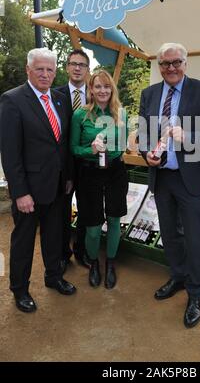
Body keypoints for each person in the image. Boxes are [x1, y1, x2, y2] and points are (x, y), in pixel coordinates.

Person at [138, 42, 200, 328]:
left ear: (185, 63)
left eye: (176, 62)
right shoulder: (149, 94)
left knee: (195, 236)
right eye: (165, 64)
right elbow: (144, 132)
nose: (171, 68)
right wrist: (146, 154)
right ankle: (178, 276)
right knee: (170, 234)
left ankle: (197, 291)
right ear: (159, 66)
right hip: (162, 177)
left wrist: (187, 136)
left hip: (191, 178)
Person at [0, 48, 76, 313]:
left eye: (50, 70)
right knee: (23, 241)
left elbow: (62, 143)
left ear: (56, 72)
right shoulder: (12, 100)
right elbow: (10, 153)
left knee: (54, 238)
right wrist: (20, 192)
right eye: (40, 69)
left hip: (57, 186)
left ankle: (53, 277)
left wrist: (67, 178)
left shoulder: (58, 99)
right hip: (29, 191)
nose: (45, 74)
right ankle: (20, 290)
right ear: (28, 70)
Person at [70, 70, 128, 289]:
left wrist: (118, 153)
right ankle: (94, 262)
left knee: (114, 220)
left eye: (107, 86)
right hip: (90, 173)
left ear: (111, 89)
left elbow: (122, 146)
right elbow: (73, 148)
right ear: (91, 90)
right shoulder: (80, 115)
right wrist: (90, 150)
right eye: (98, 87)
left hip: (115, 172)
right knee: (93, 226)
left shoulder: (120, 114)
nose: (103, 90)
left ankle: (111, 263)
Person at [56, 49, 90, 272]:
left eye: (82, 65)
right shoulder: (55, 95)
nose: (77, 68)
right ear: (67, 67)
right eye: (73, 63)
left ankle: (81, 251)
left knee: (88, 210)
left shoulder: (96, 95)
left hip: (89, 166)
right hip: (63, 167)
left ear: (88, 70)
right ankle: (62, 254)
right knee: (62, 212)